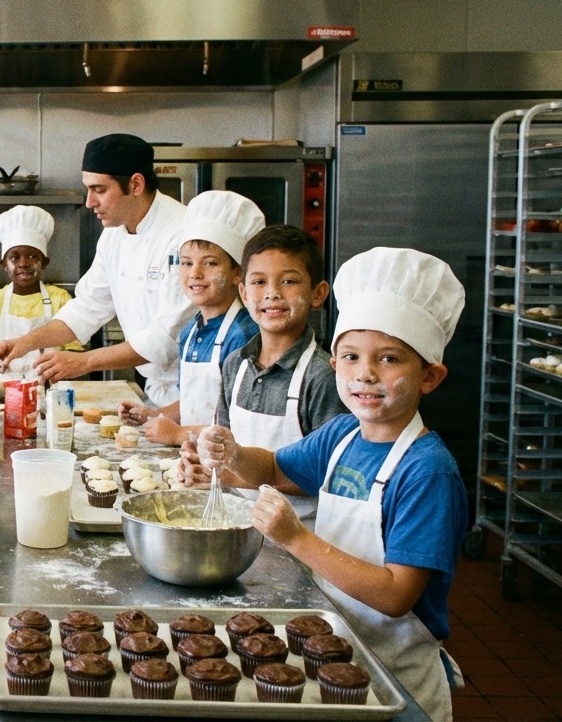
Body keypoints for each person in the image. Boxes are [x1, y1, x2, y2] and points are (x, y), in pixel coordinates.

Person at [195, 247, 468, 719]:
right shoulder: (343, 435)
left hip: (397, 675)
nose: (365, 373)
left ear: (430, 376)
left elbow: (395, 594)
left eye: (389, 359)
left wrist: (294, 537)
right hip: (337, 647)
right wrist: (235, 455)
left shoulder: (427, 472)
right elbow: (278, 468)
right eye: (350, 356)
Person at [0, 133, 195, 406]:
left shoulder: (182, 235)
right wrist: (26, 342)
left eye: (99, 190)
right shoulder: (114, 233)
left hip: (194, 392)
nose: (89, 202)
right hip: (156, 392)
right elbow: (87, 307)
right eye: (88, 189)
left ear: (135, 184)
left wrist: (85, 361)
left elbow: (166, 338)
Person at [183, 224, 345, 523]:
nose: (272, 293)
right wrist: (201, 460)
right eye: (259, 282)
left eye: (289, 281)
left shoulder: (323, 377)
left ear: (318, 293)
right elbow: (224, 442)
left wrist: (232, 477)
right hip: (236, 522)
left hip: (302, 535)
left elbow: (329, 477)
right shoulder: (236, 365)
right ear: (243, 292)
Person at [117, 191, 262, 444]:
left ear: (237, 272)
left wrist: (179, 434)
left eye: (210, 264)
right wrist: (154, 414)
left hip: (228, 465)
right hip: (196, 458)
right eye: (186, 263)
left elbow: (243, 422)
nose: (194, 273)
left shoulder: (243, 335)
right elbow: (193, 402)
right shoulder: (191, 331)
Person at [0, 204, 81, 376]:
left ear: (45, 262)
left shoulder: (60, 299)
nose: (23, 263)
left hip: (53, 389)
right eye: (14, 257)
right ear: (4, 265)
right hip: (9, 389)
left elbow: (74, 348)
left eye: (33, 256)